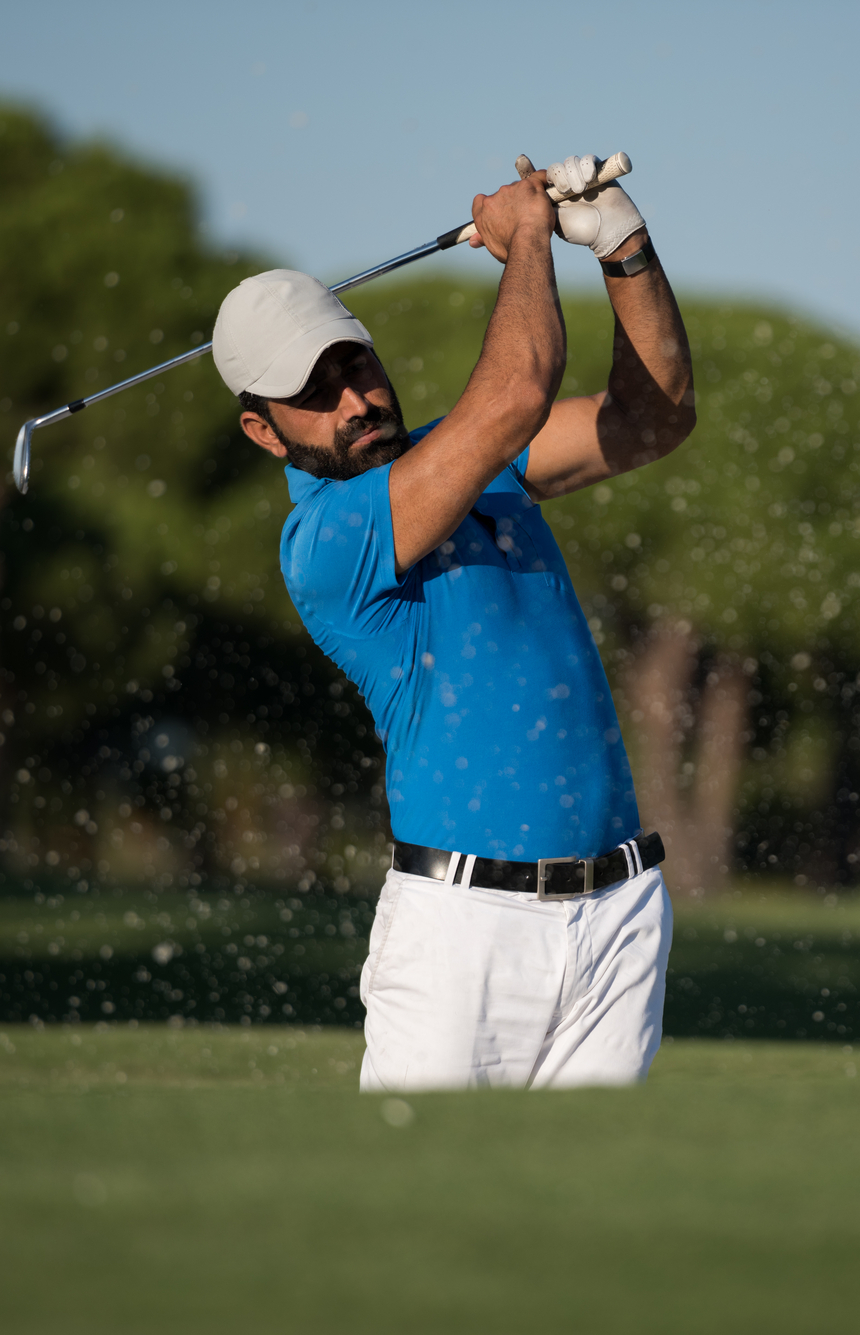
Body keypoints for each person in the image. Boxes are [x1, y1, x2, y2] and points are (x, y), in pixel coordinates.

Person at [210, 156, 696, 1090]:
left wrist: (623, 247)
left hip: (622, 910)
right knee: (407, 1222)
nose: (354, 400)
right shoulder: (325, 538)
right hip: (463, 934)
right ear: (264, 433)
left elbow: (654, 419)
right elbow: (515, 394)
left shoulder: (470, 461)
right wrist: (523, 240)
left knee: (581, 1227)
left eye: (354, 365)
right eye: (313, 394)